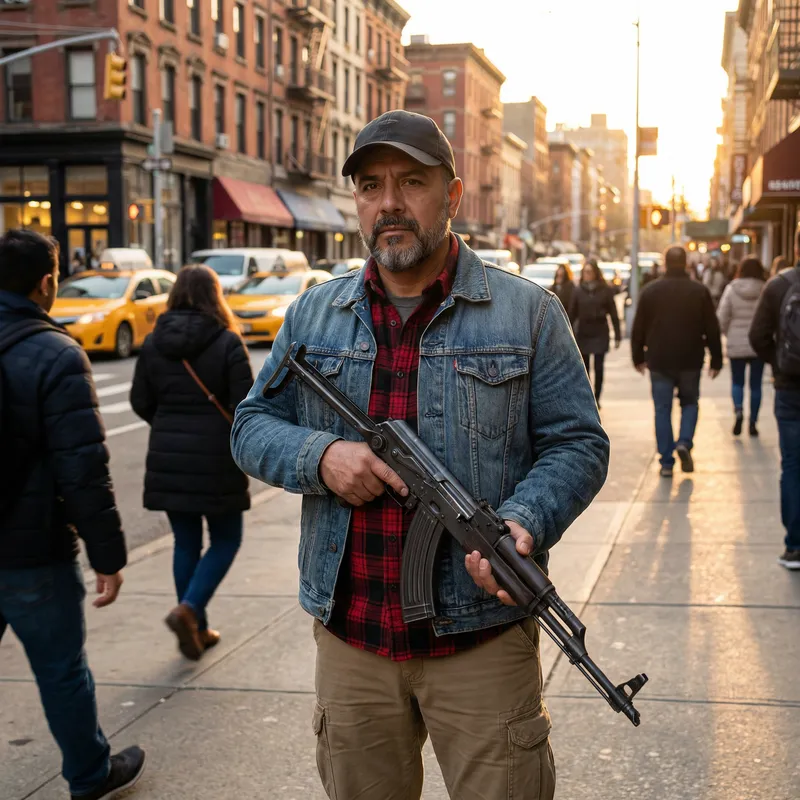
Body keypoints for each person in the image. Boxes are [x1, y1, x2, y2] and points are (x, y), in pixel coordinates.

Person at [231, 110, 610, 800]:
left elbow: (579, 442)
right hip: (352, 640)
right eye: (371, 186)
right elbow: (251, 424)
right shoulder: (314, 316)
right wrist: (321, 456)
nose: (389, 203)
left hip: (484, 640)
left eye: (412, 182)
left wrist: (526, 519)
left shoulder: (526, 312)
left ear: (453, 195)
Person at [0, 230, 145, 800]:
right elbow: (82, 469)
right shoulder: (57, 354)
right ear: (46, 282)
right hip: (32, 553)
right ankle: (89, 776)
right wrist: (108, 556)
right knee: (62, 672)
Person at [130, 265, 253, 660]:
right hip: (218, 457)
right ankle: (189, 610)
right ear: (214, 295)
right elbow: (246, 405)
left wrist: (167, 426)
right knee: (226, 538)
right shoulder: (227, 342)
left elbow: (140, 400)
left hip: (168, 455)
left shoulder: (152, 343)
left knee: (185, 541)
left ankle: (195, 627)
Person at [631, 245, 723, 478]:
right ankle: (684, 441)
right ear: (686, 264)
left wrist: (638, 356)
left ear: (665, 263)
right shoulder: (699, 291)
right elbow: (712, 327)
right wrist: (716, 359)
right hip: (691, 358)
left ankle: (666, 462)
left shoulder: (650, 291)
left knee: (662, 409)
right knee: (690, 403)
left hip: (659, 358)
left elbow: (638, 327)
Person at [749, 230, 800, 570]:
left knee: (793, 465)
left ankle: (795, 547)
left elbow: (757, 336)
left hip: (790, 389)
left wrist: (781, 364)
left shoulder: (779, 285)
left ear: (795, 246)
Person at [717, 257, 766, 436]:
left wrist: (726, 335)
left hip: (736, 343)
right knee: (756, 385)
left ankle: (738, 410)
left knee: (737, 381)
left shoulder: (732, 289)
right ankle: (753, 422)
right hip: (758, 345)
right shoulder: (765, 289)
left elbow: (722, 317)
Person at [568, 258, 621, 408]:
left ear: (596, 273)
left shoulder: (605, 290)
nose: (587, 275)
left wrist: (617, 335)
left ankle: (597, 397)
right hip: (584, 332)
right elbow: (572, 314)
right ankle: (587, 396)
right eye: (585, 272)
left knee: (599, 366)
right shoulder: (578, 291)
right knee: (584, 367)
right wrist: (566, 333)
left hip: (600, 331)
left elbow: (613, 312)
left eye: (590, 272)